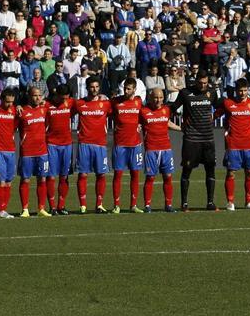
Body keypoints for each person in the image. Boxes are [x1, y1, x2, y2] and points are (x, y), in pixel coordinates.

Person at [172, 71, 219, 212]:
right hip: (191, 138)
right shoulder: (186, 93)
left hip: (208, 138)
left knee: (210, 170)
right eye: (200, 83)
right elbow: (173, 108)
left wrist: (214, 116)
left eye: (205, 83)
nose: (203, 85)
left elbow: (221, 106)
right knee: (187, 171)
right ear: (195, 81)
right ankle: (184, 204)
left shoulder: (212, 92)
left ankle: (210, 203)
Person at [217, 78, 250, 211]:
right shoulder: (228, 103)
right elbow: (215, 115)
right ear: (236, 91)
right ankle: (230, 202)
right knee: (231, 173)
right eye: (240, 91)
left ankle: (249, 202)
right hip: (233, 144)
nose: (243, 93)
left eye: (245, 90)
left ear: (248, 90)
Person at [73, 77, 113, 214]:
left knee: (101, 175)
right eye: (92, 87)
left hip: (100, 144)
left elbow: (121, 113)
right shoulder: (79, 104)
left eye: (96, 87)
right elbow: (65, 111)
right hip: (84, 143)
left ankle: (99, 204)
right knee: (83, 175)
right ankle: (83, 205)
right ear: (87, 87)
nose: (94, 89)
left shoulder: (106, 104)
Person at [141, 88, 182, 212]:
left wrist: (180, 128)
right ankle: (147, 205)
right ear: (150, 97)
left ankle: (168, 205)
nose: (158, 100)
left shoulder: (166, 110)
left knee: (168, 177)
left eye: (160, 98)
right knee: (150, 178)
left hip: (166, 149)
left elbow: (167, 122)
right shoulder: (143, 111)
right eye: (155, 97)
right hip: (151, 149)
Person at [16, 86, 53, 218]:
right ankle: (25, 209)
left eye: (39, 95)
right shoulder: (22, 111)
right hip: (27, 151)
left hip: (42, 151)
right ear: (29, 96)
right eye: (34, 95)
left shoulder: (44, 108)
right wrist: (17, 105)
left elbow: (57, 102)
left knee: (42, 179)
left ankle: (41, 208)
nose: (37, 98)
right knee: (25, 180)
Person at [111, 78, 146, 213]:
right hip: (120, 144)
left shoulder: (138, 102)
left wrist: (140, 124)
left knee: (135, 174)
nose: (126, 91)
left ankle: (133, 205)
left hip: (135, 144)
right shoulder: (115, 102)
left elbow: (144, 117)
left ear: (134, 89)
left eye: (129, 89)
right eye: (125, 88)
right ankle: (117, 205)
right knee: (118, 174)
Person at [0, 89, 20, 219]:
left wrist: (18, 106)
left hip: (11, 150)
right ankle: (0, 210)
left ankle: (4, 209)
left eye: (12, 102)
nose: (9, 104)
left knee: (8, 182)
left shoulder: (14, 110)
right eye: (7, 102)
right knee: (0, 182)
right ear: (1, 99)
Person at [45, 86, 76, 214]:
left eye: (66, 98)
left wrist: (101, 97)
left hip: (67, 144)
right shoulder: (46, 105)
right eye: (62, 98)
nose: (64, 101)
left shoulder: (71, 102)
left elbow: (87, 103)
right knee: (51, 177)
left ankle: (61, 206)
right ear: (56, 94)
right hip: (51, 144)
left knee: (64, 176)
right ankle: (52, 207)